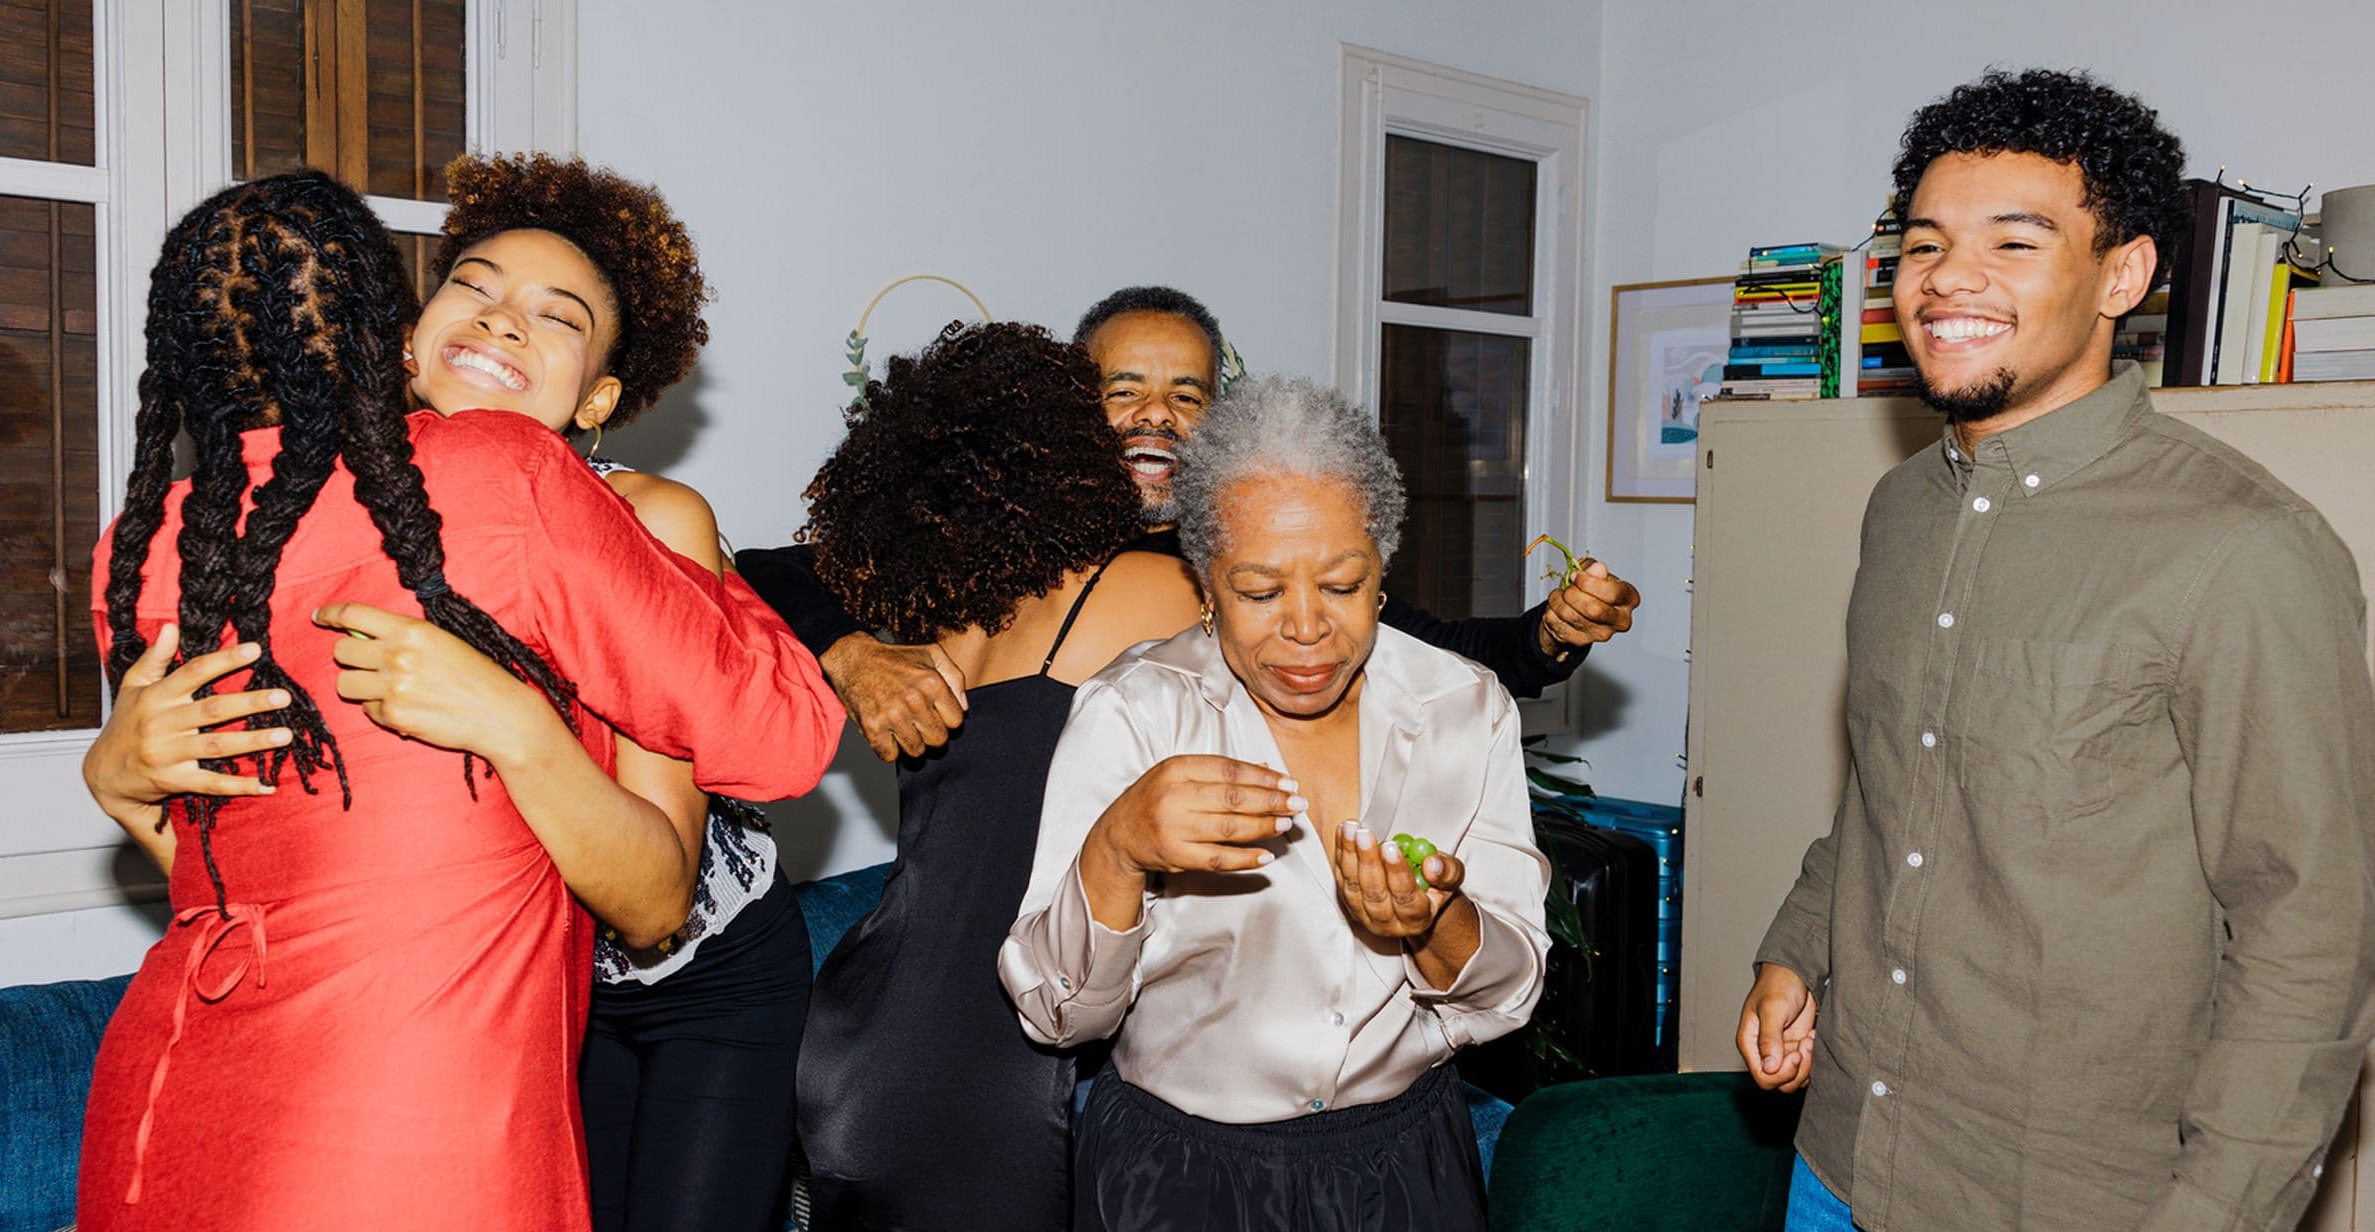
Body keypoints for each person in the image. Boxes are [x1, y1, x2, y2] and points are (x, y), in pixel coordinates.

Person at [74, 171, 840, 1230]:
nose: (498, 318)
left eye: (553, 315)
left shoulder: (144, 550)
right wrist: (120, 781)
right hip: (415, 1081)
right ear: (394, 330)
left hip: (179, 1095)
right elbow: (787, 738)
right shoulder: (489, 483)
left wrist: (525, 707)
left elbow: (660, 892)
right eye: (473, 284)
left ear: (599, 397)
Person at [1737, 68, 2375, 1232]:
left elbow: (2309, 938)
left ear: (2118, 275)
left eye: (2013, 242)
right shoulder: (1900, 509)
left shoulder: (2244, 550)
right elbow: (1889, 789)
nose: (1949, 280)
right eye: (1922, 244)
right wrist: (1793, 949)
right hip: (1838, 1158)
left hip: (2071, 1197)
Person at [1000, 375, 1550, 1232]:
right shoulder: (1137, 713)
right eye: (1259, 591)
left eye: (1340, 585)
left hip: (1407, 1167)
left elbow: (1507, 997)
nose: (1304, 627)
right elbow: (1059, 1014)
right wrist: (1115, 849)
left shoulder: (1462, 706)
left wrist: (1434, 920)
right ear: (1206, 584)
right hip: (1180, 1175)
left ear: (1382, 570)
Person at [734, 286, 1642, 762]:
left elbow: (1442, 651)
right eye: (1121, 391)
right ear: (1067, 406)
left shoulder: (1243, 561)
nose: (1155, 417)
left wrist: (1550, 633)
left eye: (1186, 396)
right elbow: (765, 570)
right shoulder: (988, 537)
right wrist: (854, 655)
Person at [790, 322, 1200, 1231]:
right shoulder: (1154, 593)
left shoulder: (930, 614)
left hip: (860, 1041)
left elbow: (752, 573)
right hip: (1012, 1057)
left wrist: (849, 650)